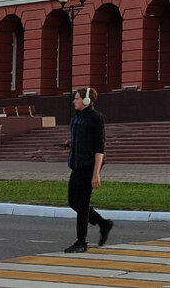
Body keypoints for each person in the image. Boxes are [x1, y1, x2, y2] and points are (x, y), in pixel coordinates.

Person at [65, 86, 113, 253]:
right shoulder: (76, 118)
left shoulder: (96, 119)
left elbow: (100, 148)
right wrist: (71, 143)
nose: (74, 101)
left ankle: (81, 242)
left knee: (83, 205)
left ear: (86, 100)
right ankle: (103, 223)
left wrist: (96, 174)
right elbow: (80, 139)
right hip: (76, 166)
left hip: (88, 168)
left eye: (77, 98)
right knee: (73, 202)